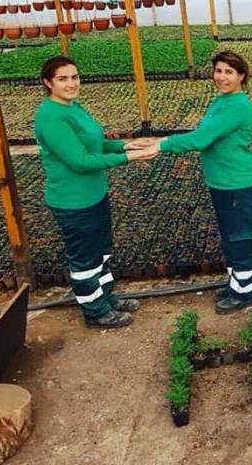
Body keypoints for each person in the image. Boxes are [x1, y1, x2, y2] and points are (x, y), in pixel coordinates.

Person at [35, 56, 155, 328]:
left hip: (93, 195)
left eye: (74, 77)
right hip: (73, 200)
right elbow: (80, 161)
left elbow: (96, 143)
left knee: (100, 251)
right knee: (84, 259)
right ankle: (95, 312)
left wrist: (126, 146)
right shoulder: (51, 117)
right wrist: (128, 159)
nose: (71, 83)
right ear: (47, 83)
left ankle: (106, 298)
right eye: (62, 79)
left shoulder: (73, 107)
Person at [146, 51, 252, 314]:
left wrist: (161, 144)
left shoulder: (237, 105)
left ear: (241, 76)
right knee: (230, 235)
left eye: (229, 72)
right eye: (218, 71)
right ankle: (238, 283)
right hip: (222, 181)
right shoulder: (221, 101)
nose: (221, 77)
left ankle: (245, 293)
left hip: (238, 182)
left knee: (239, 236)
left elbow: (201, 139)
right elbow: (203, 134)